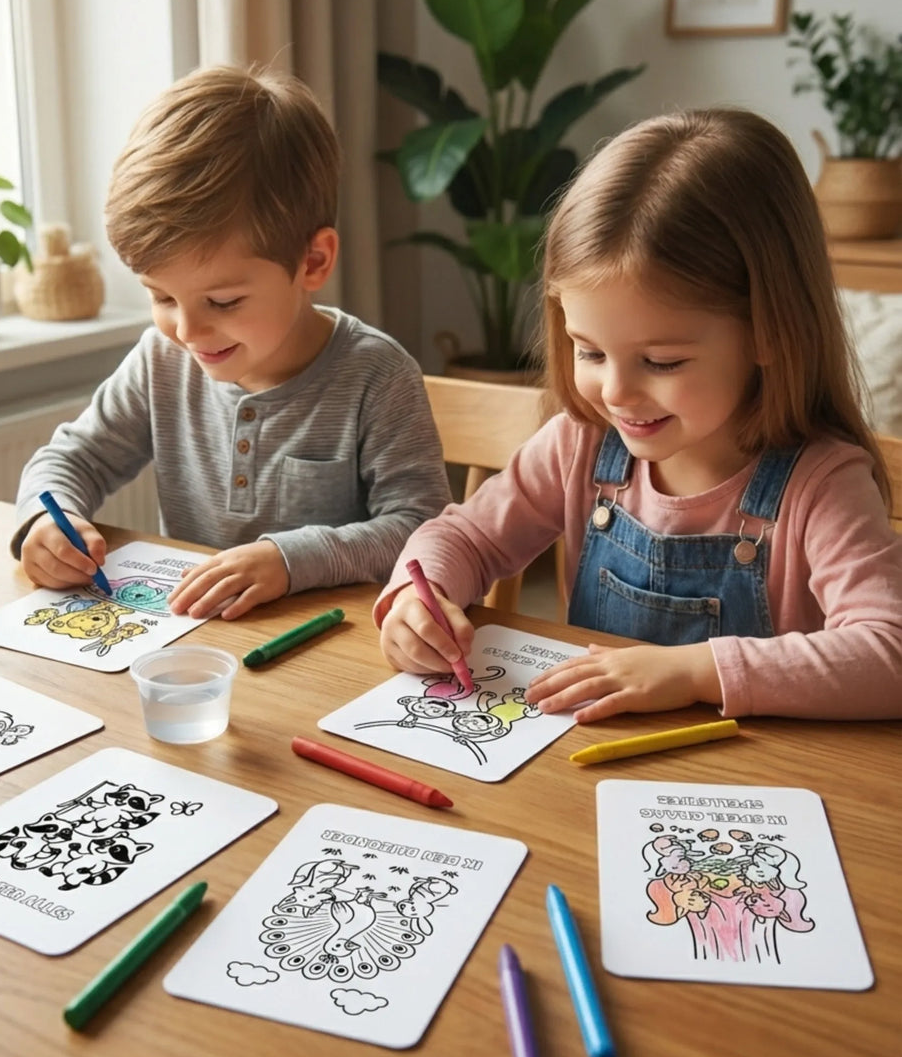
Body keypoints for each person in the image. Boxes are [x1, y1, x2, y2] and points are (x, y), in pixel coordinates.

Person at [376, 108, 902, 722]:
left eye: (661, 361)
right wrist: (421, 596)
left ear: (770, 332)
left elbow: (888, 652)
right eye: (590, 351)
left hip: (745, 793)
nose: (617, 392)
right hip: (585, 772)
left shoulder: (822, 484)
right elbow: (465, 536)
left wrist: (692, 671)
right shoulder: (580, 446)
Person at [12, 64, 451, 619]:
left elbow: (421, 529)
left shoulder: (377, 376)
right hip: (194, 644)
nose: (187, 332)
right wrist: (46, 519)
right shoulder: (161, 360)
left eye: (222, 303)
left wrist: (288, 560)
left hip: (330, 653)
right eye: (162, 298)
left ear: (312, 261)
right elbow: (73, 458)